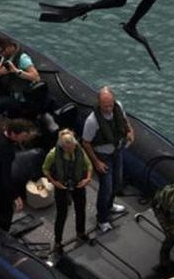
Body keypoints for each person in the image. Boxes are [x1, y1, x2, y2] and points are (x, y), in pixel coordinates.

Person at [82, 87, 134, 232]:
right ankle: (102, 219)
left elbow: (124, 120)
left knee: (117, 182)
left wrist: (130, 131)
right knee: (106, 188)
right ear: (99, 103)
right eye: (105, 106)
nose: (109, 109)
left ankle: (110, 206)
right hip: (102, 156)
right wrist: (97, 162)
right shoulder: (92, 121)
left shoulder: (118, 107)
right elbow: (86, 142)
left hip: (117, 151)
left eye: (111, 105)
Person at [42, 130, 93, 255]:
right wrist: (54, 182)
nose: (71, 150)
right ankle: (58, 242)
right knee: (61, 214)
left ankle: (81, 232)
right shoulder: (53, 154)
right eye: (67, 148)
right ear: (62, 146)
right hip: (61, 186)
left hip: (78, 184)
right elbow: (45, 169)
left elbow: (88, 165)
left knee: (80, 210)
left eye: (72, 147)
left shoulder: (79, 151)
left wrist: (87, 179)